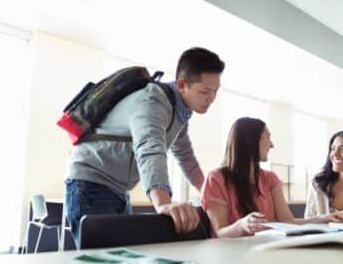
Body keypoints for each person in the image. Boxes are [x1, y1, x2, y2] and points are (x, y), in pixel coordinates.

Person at [65, 47, 225, 243]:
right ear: (182, 85)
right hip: (90, 185)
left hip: (118, 190)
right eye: (205, 91)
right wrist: (163, 204)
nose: (211, 99)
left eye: (215, 91)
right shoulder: (153, 100)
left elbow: (185, 156)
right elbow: (150, 147)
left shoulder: (180, 113)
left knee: (121, 262)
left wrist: (207, 192)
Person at [201, 117, 343, 238]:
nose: (272, 144)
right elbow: (220, 232)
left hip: (266, 250)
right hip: (229, 254)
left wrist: (323, 219)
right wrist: (242, 225)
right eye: (268, 137)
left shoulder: (270, 179)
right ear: (251, 140)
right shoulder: (216, 179)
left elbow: (287, 222)